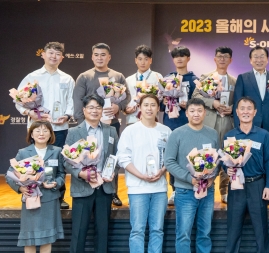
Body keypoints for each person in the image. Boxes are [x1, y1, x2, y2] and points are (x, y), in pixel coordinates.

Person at [65, 94, 120, 253]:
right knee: (79, 231)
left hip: (104, 187)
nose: (95, 110)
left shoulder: (111, 130)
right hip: (83, 187)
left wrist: (112, 172)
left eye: (98, 107)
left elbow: (115, 157)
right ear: (84, 110)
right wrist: (80, 173)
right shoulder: (74, 132)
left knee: (102, 229)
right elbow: (66, 160)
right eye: (91, 107)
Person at [164, 98, 219, 253]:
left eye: (199, 110)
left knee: (205, 230)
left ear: (205, 113)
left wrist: (212, 177)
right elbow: (169, 162)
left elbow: (217, 161)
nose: (196, 114)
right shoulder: (177, 134)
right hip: (185, 191)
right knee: (184, 232)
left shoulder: (212, 134)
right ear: (186, 113)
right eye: (192, 110)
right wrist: (190, 178)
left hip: (207, 191)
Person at [116, 94, 170, 253]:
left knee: (157, 229)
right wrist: (141, 175)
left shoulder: (165, 131)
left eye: (153, 105)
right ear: (139, 107)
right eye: (145, 105)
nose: (149, 108)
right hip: (137, 187)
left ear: (158, 108)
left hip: (159, 187)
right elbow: (123, 158)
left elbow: (170, 158)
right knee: (138, 229)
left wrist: (162, 171)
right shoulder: (130, 131)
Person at [6, 121, 65, 253]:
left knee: (47, 238)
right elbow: (9, 175)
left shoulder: (57, 152)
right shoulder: (23, 152)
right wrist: (20, 187)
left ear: (50, 134)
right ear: (31, 134)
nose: (41, 133)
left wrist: (55, 183)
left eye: (45, 130)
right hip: (31, 199)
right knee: (29, 239)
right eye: (37, 130)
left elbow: (62, 174)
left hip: (50, 200)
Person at [221, 97, 269, 253]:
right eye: (242, 108)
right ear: (236, 111)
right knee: (233, 225)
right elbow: (223, 161)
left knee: (261, 226)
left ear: (254, 112)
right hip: (236, 185)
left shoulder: (263, 135)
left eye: (249, 109)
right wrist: (226, 169)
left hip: (257, 184)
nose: (245, 111)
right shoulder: (230, 136)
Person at [16, 41, 74, 210]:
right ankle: (33, 192)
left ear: (62, 58)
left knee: (58, 162)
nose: (53, 56)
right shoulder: (32, 77)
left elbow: (71, 101)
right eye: (50, 53)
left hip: (59, 128)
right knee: (35, 161)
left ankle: (59, 196)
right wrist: (30, 113)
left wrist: (67, 115)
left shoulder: (67, 78)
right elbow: (19, 102)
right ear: (43, 54)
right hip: (37, 128)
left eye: (57, 54)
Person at [73, 43, 130, 207]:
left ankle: (112, 192)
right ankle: (88, 189)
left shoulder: (118, 76)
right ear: (92, 57)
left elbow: (127, 97)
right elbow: (78, 101)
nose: (100, 57)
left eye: (103, 54)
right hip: (88, 126)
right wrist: (80, 125)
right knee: (87, 158)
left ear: (109, 57)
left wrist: (118, 106)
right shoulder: (84, 77)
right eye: (96, 54)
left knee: (111, 157)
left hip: (111, 125)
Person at [233, 45, 269, 205]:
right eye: (256, 57)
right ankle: (246, 191)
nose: (259, 60)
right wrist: (237, 126)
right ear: (250, 60)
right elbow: (237, 103)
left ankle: (268, 190)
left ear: (267, 59)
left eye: (262, 56)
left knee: (268, 158)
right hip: (247, 126)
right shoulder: (243, 78)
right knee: (246, 157)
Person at [191, 46, 236, 204]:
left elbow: (238, 102)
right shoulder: (206, 77)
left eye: (226, 57)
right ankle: (205, 185)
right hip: (209, 121)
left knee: (226, 156)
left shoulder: (234, 81)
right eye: (219, 56)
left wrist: (233, 108)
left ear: (230, 60)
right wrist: (213, 103)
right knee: (207, 154)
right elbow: (195, 96)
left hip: (227, 123)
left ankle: (224, 190)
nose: (222, 59)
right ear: (214, 59)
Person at [163, 46, 199, 206]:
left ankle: (197, 185)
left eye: (183, 56)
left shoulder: (195, 80)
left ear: (188, 58)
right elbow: (156, 102)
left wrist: (189, 105)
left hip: (190, 124)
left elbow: (201, 103)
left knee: (191, 156)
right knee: (173, 157)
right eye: (176, 56)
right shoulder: (166, 79)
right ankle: (174, 190)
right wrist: (164, 101)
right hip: (171, 123)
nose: (179, 59)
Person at [125, 44, 164, 126]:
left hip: (151, 120)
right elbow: (125, 100)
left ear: (151, 60)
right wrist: (125, 110)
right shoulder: (128, 80)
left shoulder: (157, 77)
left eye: (146, 59)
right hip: (132, 119)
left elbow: (162, 98)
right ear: (135, 60)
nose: (143, 62)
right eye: (140, 59)